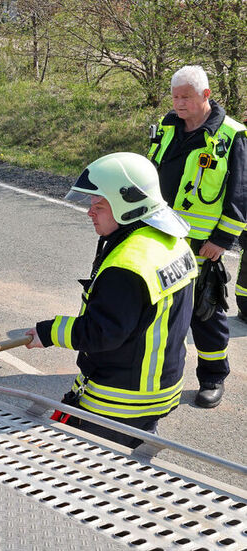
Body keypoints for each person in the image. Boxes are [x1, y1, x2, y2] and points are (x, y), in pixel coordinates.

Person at [26, 152, 196, 449]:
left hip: (119, 402)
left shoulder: (127, 266)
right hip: (158, 391)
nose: (90, 212)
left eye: (99, 205)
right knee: (135, 458)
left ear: (127, 206)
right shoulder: (170, 241)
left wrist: (48, 332)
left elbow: (102, 333)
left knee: (90, 475)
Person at [147, 65, 247, 408]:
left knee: (205, 315)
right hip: (159, 237)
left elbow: (240, 194)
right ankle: (158, 371)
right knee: (156, 308)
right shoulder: (166, 126)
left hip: (202, 245)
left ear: (205, 95)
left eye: (185, 97)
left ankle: (213, 377)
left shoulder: (232, 135)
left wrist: (222, 240)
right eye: (174, 96)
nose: (178, 103)